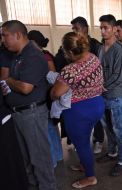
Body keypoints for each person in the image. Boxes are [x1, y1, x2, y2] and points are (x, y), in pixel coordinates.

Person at [1, 20, 57, 190]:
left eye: (4, 35)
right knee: (26, 160)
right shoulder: (18, 55)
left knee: (40, 161)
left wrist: (9, 81)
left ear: (17, 35)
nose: (2, 40)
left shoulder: (33, 55)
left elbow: (25, 88)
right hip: (19, 113)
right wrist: (11, 84)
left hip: (31, 114)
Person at [51, 32, 105, 188]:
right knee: (85, 140)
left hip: (80, 111)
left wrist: (51, 91)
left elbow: (56, 93)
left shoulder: (70, 70)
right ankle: (84, 164)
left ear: (70, 52)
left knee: (82, 145)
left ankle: (90, 176)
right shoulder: (93, 58)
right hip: (97, 104)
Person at [96, 14, 122, 177]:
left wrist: (101, 86)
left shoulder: (120, 49)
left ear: (115, 29)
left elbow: (117, 75)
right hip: (101, 94)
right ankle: (112, 152)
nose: (102, 30)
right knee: (107, 126)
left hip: (114, 94)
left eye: (105, 27)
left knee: (118, 127)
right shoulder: (101, 47)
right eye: (101, 27)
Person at [28, 30, 63, 167]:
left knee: (48, 128)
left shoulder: (44, 57)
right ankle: (57, 156)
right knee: (50, 128)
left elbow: (53, 77)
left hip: (46, 96)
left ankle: (53, 159)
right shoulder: (44, 55)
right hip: (47, 95)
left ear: (33, 42)